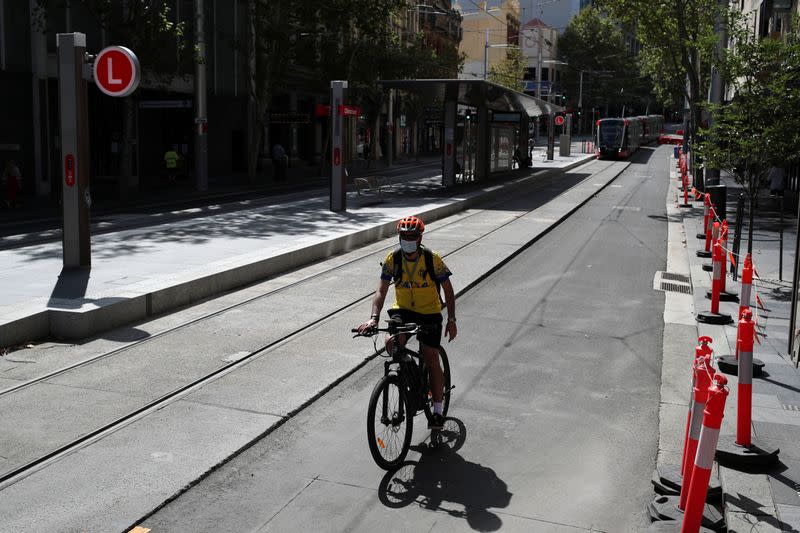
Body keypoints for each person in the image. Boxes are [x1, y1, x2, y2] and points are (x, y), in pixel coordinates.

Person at [357, 215, 457, 430]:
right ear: (399, 237)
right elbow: (381, 290)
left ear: (420, 238)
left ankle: (437, 411)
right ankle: (409, 374)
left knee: (431, 357)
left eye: (412, 236)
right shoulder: (393, 259)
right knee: (391, 343)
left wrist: (451, 319)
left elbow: (448, 290)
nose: (407, 240)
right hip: (403, 310)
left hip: (429, 313)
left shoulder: (433, 259)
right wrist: (373, 318)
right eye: (404, 236)